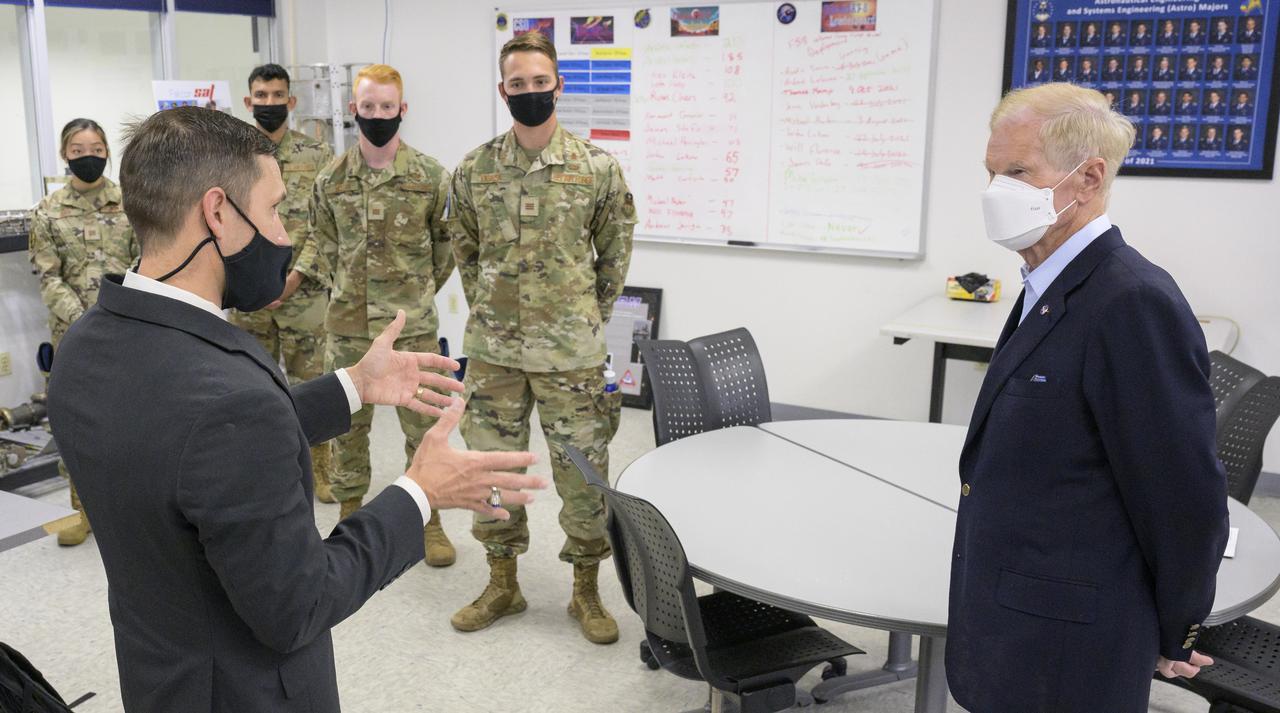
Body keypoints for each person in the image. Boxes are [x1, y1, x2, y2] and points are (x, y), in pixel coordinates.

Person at [44, 106, 545, 713]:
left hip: (159, 677)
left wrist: (351, 388)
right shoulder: (230, 404)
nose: (284, 237)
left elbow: (185, 451)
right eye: (276, 209)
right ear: (218, 213)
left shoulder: (87, 346)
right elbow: (300, 603)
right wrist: (418, 491)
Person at [953, 82, 1229, 712]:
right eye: (992, 173)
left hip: (1069, 643)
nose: (998, 192)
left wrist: (1176, 626)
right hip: (1019, 612)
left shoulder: (1130, 300)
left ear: (1088, 177)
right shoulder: (1045, 280)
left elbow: (1182, 494)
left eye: (1018, 172)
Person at [446, 31, 636, 644]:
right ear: (504, 90)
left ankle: (586, 591)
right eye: (517, 84)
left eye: (539, 81)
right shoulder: (474, 168)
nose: (530, 92)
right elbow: (466, 253)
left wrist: (577, 316)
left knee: (583, 472)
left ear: (559, 84)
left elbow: (613, 259)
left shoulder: (597, 168)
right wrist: (497, 312)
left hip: (571, 355)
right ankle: (503, 582)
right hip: (495, 351)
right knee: (491, 469)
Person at [292, 64, 461, 567]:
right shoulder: (330, 179)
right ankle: (349, 515)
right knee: (347, 428)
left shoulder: (432, 176)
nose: (378, 116)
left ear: (402, 111)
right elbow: (324, 246)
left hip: (412, 329)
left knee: (422, 428)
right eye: (369, 108)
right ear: (354, 111)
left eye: (388, 108)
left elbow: (445, 250)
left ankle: (429, 521)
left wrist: (413, 294)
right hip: (347, 328)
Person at [27, 118, 139, 546]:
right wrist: (83, 318)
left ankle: (132, 506)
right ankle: (81, 511)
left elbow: (145, 262)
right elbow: (48, 276)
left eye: (95, 147)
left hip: (127, 332)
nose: (87, 155)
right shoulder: (48, 211)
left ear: (108, 150)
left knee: (131, 419)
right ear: (64, 155)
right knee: (75, 422)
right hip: (71, 337)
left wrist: (119, 312)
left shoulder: (131, 203)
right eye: (77, 149)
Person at [231, 63, 338, 504]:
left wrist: (295, 277)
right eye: (262, 95)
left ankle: (321, 472)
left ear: (291, 102)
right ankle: (254, 471)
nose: (270, 103)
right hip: (249, 294)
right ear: (248, 101)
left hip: (304, 294)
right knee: (247, 387)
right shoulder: (229, 158)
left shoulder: (318, 156)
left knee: (310, 385)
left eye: (278, 96)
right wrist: (254, 279)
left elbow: (324, 227)